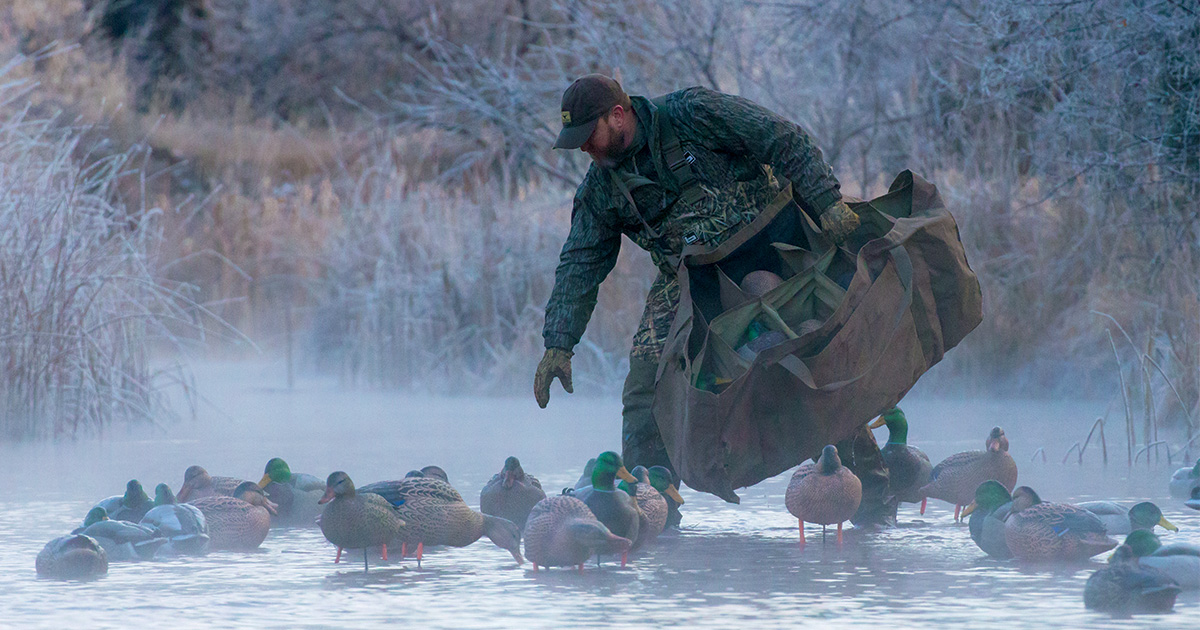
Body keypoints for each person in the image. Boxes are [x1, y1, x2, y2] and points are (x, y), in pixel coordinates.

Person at [533, 74, 894, 526]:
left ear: (618, 115)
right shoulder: (600, 190)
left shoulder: (693, 113)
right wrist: (558, 344)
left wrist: (826, 202)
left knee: (812, 369)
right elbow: (580, 263)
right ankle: (648, 516)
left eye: (589, 137)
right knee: (646, 383)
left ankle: (874, 506)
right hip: (690, 280)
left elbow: (781, 138)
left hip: (771, 247)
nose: (585, 149)